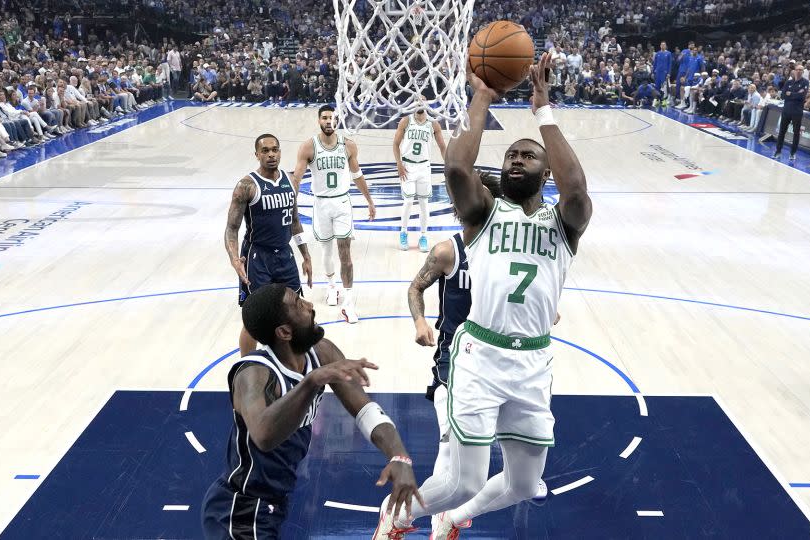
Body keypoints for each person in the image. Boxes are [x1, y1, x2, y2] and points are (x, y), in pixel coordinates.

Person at [374, 52, 592, 539]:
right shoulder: (483, 217)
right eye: (511, 155)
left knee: (524, 483)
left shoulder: (563, 225)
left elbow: (577, 189)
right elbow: (456, 166)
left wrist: (544, 111)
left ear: (545, 171)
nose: (516, 159)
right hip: (480, 355)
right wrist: (481, 99)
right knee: (459, 479)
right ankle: (396, 517)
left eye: (527, 155)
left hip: (534, 363)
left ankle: (449, 521)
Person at [202, 283, 422, 539]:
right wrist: (311, 381)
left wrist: (399, 457)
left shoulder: (322, 353)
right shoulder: (253, 374)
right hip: (241, 510)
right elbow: (263, 435)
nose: (310, 306)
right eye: (298, 304)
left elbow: (366, 410)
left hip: (271, 505)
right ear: (284, 331)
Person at [406, 171, 549, 534]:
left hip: (502, 360)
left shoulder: (515, 248)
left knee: (507, 467)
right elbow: (415, 288)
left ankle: (462, 504)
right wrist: (420, 321)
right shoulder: (447, 251)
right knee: (449, 445)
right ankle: (433, 513)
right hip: (452, 360)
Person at [225, 134, 313, 356]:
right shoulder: (246, 186)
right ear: (257, 155)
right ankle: (246, 366)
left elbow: (294, 221)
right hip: (257, 257)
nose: (271, 154)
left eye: (275, 149)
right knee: (255, 320)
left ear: (280, 152)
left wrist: (307, 256)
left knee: (295, 311)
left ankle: (294, 362)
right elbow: (231, 228)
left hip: (285, 255)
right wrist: (234, 258)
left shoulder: (291, 181)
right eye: (265, 150)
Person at [291, 105, 376, 323]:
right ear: (319, 120)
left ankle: (348, 303)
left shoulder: (348, 146)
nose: (329, 121)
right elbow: (297, 178)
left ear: (337, 121)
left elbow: (357, 175)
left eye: (332, 118)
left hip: (342, 203)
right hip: (321, 204)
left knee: (345, 251)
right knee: (327, 251)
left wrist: (369, 200)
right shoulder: (308, 147)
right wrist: (291, 202)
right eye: (325, 118)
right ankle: (331, 286)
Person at [392, 103, 447, 252]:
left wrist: (447, 164)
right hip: (408, 166)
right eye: (416, 101)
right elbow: (396, 144)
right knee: (408, 201)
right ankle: (403, 232)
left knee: (424, 203)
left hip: (424, 167)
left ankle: (424, 235)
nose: (419, 104)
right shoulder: (406, 121)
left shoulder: (433, 123)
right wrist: (399, 163)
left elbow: (442, 147)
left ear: (426, 104)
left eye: (422, 101)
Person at [774, 64, 809, 161]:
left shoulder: (805, 82)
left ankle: (793, 153)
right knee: (781, 132)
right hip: (786, 110)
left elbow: (802, 96)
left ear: (803, 72)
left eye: (801, 70)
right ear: (794, 71)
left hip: (797, 112)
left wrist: (791, 94)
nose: (799, 71)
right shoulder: (788, 82)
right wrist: (796, 94)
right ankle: (778, 151)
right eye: (797, 69)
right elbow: (783, 95)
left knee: (796, 133)